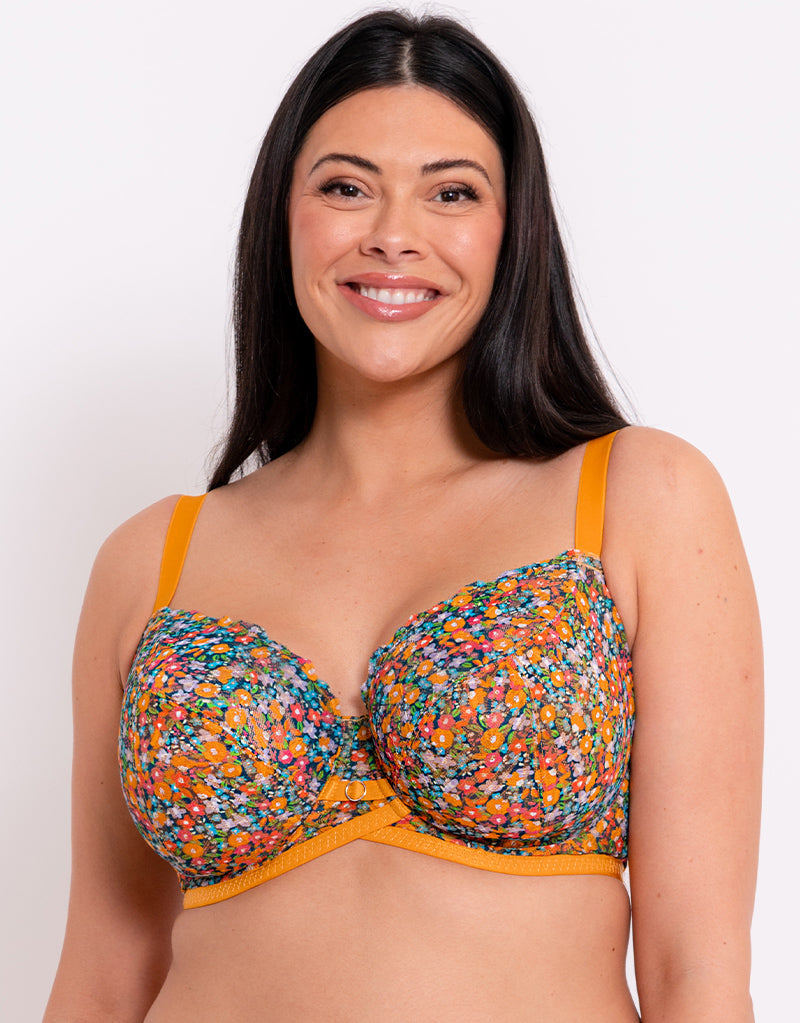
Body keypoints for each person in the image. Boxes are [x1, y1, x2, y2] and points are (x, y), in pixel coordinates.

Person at [45, 10, 762, 1022]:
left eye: (450, 192)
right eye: (345, 187)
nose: (392, 233)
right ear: (282, 216)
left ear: (512, 232)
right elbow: (102, 973)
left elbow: (699, 976)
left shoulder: (639, 498)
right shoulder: (149, 558)